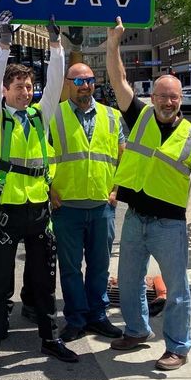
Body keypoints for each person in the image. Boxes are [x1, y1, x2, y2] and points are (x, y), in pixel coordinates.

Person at [106, 17, 191, 371]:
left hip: (169, 226)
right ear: (151, 97)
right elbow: (119, 81)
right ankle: (138, 330)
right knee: (128, 281)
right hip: (136, 219)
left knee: (177, 290)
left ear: (180, 98)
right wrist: (113, 46)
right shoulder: (139, 115)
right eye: (161, 96)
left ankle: (177, 346)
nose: (167, 102)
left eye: (173, 97)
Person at [0, 11, 77, 380]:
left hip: (38, 214)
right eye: (17, 86)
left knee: (45, 281)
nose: (25, 91)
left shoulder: (39, 116)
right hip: (6, 214)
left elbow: (54, 84)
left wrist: (54, 43)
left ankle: (49, 338)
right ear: (5, 91)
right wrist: (3, 45)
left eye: (27, 86)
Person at [50, 60, 126, 342]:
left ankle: (98, 316)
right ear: (68, 84)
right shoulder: (52, 116)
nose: (85, 86)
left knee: (99, 266)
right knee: (70, 268)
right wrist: (49, 190)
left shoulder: (112, 116)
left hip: (101, 206)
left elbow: (123, 156)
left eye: (90, 80)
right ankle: (76, 318)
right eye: (79, 81)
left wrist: (118, 190)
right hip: (66, 206)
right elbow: (38, 155)